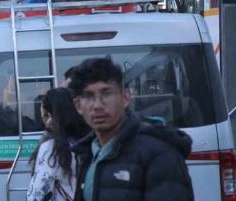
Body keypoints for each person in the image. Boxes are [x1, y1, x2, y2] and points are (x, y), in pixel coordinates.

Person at [67, 58, 194, 201]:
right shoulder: (89, 154)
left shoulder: (159, 152)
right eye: (89, 96)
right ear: (78, 106)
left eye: (106, 93)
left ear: (126, 98)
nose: (97, 105)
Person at [27, 88, 89, 201]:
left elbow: (36, 195)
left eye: (46, 116)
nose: (46, 124)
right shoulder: (93, 141)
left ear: (54, 116)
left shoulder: (51, 149)